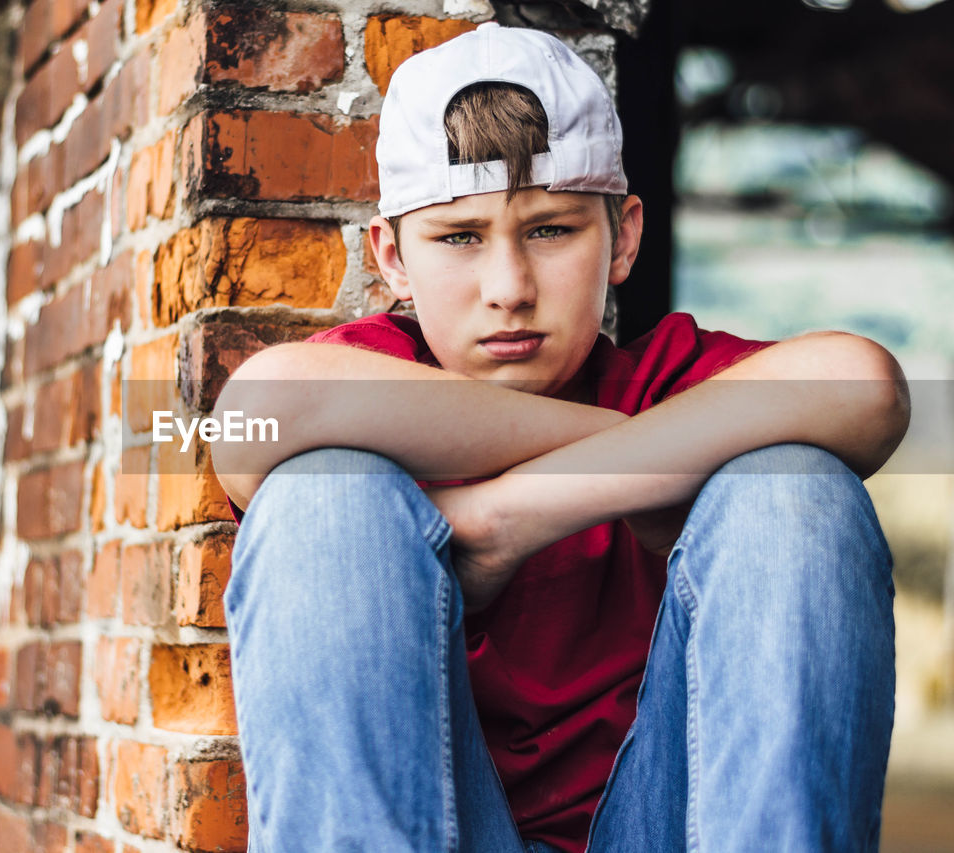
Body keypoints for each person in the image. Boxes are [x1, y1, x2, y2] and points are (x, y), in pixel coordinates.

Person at [209, 23, 909, 853]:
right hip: (438, 826)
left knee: (797, 486)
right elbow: (256, 409)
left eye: (550, 230)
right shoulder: (377, 382)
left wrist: (501, 517)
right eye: (459, 237)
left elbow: (866, 385)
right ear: (391, 258)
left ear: (626, 237)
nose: (509, 288)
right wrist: (638, 448)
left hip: (667, 825)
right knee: (321, 497)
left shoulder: (661, 376)